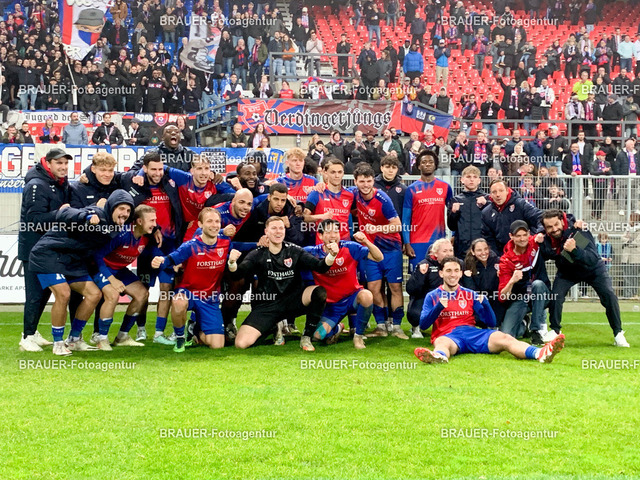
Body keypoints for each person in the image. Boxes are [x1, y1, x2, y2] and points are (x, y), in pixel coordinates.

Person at [29, 190, 134, 356]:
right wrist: (86, 217)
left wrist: (156, 228)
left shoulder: (116, 225)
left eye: (128, 210)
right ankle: (58, 343)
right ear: (112, 207)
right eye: (121, 208)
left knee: (94, 294)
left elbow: (143, 217)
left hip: (73, 259)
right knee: (63, 294)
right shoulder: (96, 213)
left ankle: (73, 339)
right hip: (49, 254)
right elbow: (65, 212)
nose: (125, 213)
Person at [414, 256, 565, 364]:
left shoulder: (470, 294)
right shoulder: (432, 296)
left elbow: (491, 322)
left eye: (456, 270)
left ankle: (540, 353)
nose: (452, 274)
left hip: (472, 334)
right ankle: (439, 357)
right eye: (448, 271)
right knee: (441, 342)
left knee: (504, 337)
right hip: (449, 336)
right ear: (441, 273)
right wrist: (438, 307)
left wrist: (485, 304)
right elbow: (424, 325)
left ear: (460, 273)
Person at [229, 216, 336, 351]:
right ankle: (273, 327)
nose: (278, 231)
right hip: (268, 306)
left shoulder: (294, 250)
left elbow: (320, 267)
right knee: (241, 343)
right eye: (274, 228)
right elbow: (237, 274)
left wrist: (332, 255)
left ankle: (306, 337)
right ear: (266, 231)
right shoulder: (257, 254)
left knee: (319, 292)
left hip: (293, 301)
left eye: (281, 228)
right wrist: (232, 263)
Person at [537, 209, 630, 347]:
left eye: (556, 224)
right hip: (567, 272)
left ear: (562, 221)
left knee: (609, 295)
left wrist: (574, 250)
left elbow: (592, 258)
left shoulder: (578, 231)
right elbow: (548, 255)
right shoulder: (546, 237)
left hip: (592, 270)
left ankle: (618, 333)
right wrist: (539, 243)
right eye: (549, 227)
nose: (554, 229)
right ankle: (555, 330)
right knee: (556, 296)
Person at [151, 208, 232, 352]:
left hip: (210, 298)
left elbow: (241, 247)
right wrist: (159, 261)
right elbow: (171, 259)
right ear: (200, 224)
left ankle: (194, 331)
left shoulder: (226, 242)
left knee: (217, 345)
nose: (214, 225)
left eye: (217, 221)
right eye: (209, 221)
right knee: (178, 302)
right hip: (188, 292)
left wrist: (259, 244)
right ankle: (180, 338)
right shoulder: (191, 246)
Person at [17, 148, 72, 352]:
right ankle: (27, 336)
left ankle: (32, 333)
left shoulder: (59, 183)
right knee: (34, 295)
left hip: (49, 248)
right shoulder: (36, 185)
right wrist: (60, 214)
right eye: (59, 163)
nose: (63, 167)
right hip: (34, 249)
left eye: (65, 163)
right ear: (47, 163)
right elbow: (34, 220)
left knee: (44, 294)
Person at [303, 220, 383, 349]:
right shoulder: (312, 253)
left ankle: (358, 336)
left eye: (336, 231)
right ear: (320, 235)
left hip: (352, 298)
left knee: (367, 295)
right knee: (318, 336)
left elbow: (379, 257)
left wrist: (366, 241)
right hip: (332, 306)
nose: (333, 235)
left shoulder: (350, 248)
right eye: (328, 232)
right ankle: (338, 327)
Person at [351, 162, 406, 338]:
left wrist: (377, 229)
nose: (365, 185)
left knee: (395, 287)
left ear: (373, 181)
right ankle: (381, 326)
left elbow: (397, 225)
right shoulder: (354, 194)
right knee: (374, 287)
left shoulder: (382, 198)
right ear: (355, 182)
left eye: (369, 181)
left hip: (391, 249)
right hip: (370, 250)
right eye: (362, 181)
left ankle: (397, 327)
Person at [91, 205, 158, 349]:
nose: (155, 224)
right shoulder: (121, 234)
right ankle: (102, 339)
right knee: (113, 295)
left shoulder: (148, 236)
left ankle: (122, 336)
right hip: (102, 268)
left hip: (120, 270)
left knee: (142, 294)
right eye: (152, 221)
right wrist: (112, 279)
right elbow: (97, 256)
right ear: (139, 221)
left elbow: (155, 249)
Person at [498, 220, 551, 345]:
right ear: (511, 236)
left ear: (528, 233)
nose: (522, 239)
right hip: (519, 299)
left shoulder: (535, 243)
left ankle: (536, 330)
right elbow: (502, 296)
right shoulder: (506, 260)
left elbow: (553, 227)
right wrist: (512, 281)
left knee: (538, 285)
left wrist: (575, 224)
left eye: (524, 235)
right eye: (518, 236)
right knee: (507, 335)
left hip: (540, 295)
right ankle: (524, 324)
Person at [403, 151, 453, 272]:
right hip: (417, 242)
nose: (427, 164)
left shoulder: (445, 187)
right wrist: (407, 243)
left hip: (438, 241)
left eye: (431, 162)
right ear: (419, 166)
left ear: (435, 165)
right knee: (418, 278)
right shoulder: (411, 189)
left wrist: (454, 235)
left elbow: (453, 214)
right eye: (424, 162)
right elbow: (406, 219)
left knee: (439, 277)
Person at [481, 179, 542, 255]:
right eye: (494, 192)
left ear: (507, 191)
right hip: (504, 255)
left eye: (501, 191)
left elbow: (539, 217)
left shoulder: (520, 204)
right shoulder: (486, 213)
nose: (498, 195)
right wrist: (496, 257)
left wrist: (540, 232)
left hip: (527, 252)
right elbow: (488, 238)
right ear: (490, 194)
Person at [406, 238, 452, 338]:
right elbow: (411, 290)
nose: (449, 254)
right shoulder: (424, 265)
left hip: (449, 298)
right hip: (426, 298)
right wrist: (420, 275)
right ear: (435, 253)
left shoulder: (457, 265)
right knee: (417, 308)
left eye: (450, 250)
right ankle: (416, 327)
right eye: (445, 251)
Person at [303, 158, 354, 243]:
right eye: (333, 172)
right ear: (325, 173)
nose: (337, 176)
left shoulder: (350, 195)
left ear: (343, 173)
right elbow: (304, 217)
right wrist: (321, 216)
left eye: (340, 172)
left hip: (344, 243)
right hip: (323, 244)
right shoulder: (317, 193)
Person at [447, 166, 489, 259]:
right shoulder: (455, 200)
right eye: (468, 177)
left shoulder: (487, 199)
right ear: (462, 180)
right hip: (461, 248)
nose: (471, 180)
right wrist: (454, 213)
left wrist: (486, 205)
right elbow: (451, 226)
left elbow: (493, 222)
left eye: (475, 177)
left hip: (482, 247)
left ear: (479, 180)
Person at [462, 238, 505, 327]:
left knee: (503, 328)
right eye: (479, 250)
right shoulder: (468, 265)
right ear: (473, 252)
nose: (483, 252)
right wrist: (468, 278)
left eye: (485, 249)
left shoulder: (498, 262)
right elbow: (471, 291)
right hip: (480, 300)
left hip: (497, 301)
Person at [621, 213, 640, 299]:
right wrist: (629, 240)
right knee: (626, 276)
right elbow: (622, 238)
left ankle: (634, 294)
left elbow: (637, 242)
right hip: (626, 257)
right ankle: (627, 295)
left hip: (635, 257)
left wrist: (628, 240)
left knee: (634, 276)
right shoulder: (628, 229)